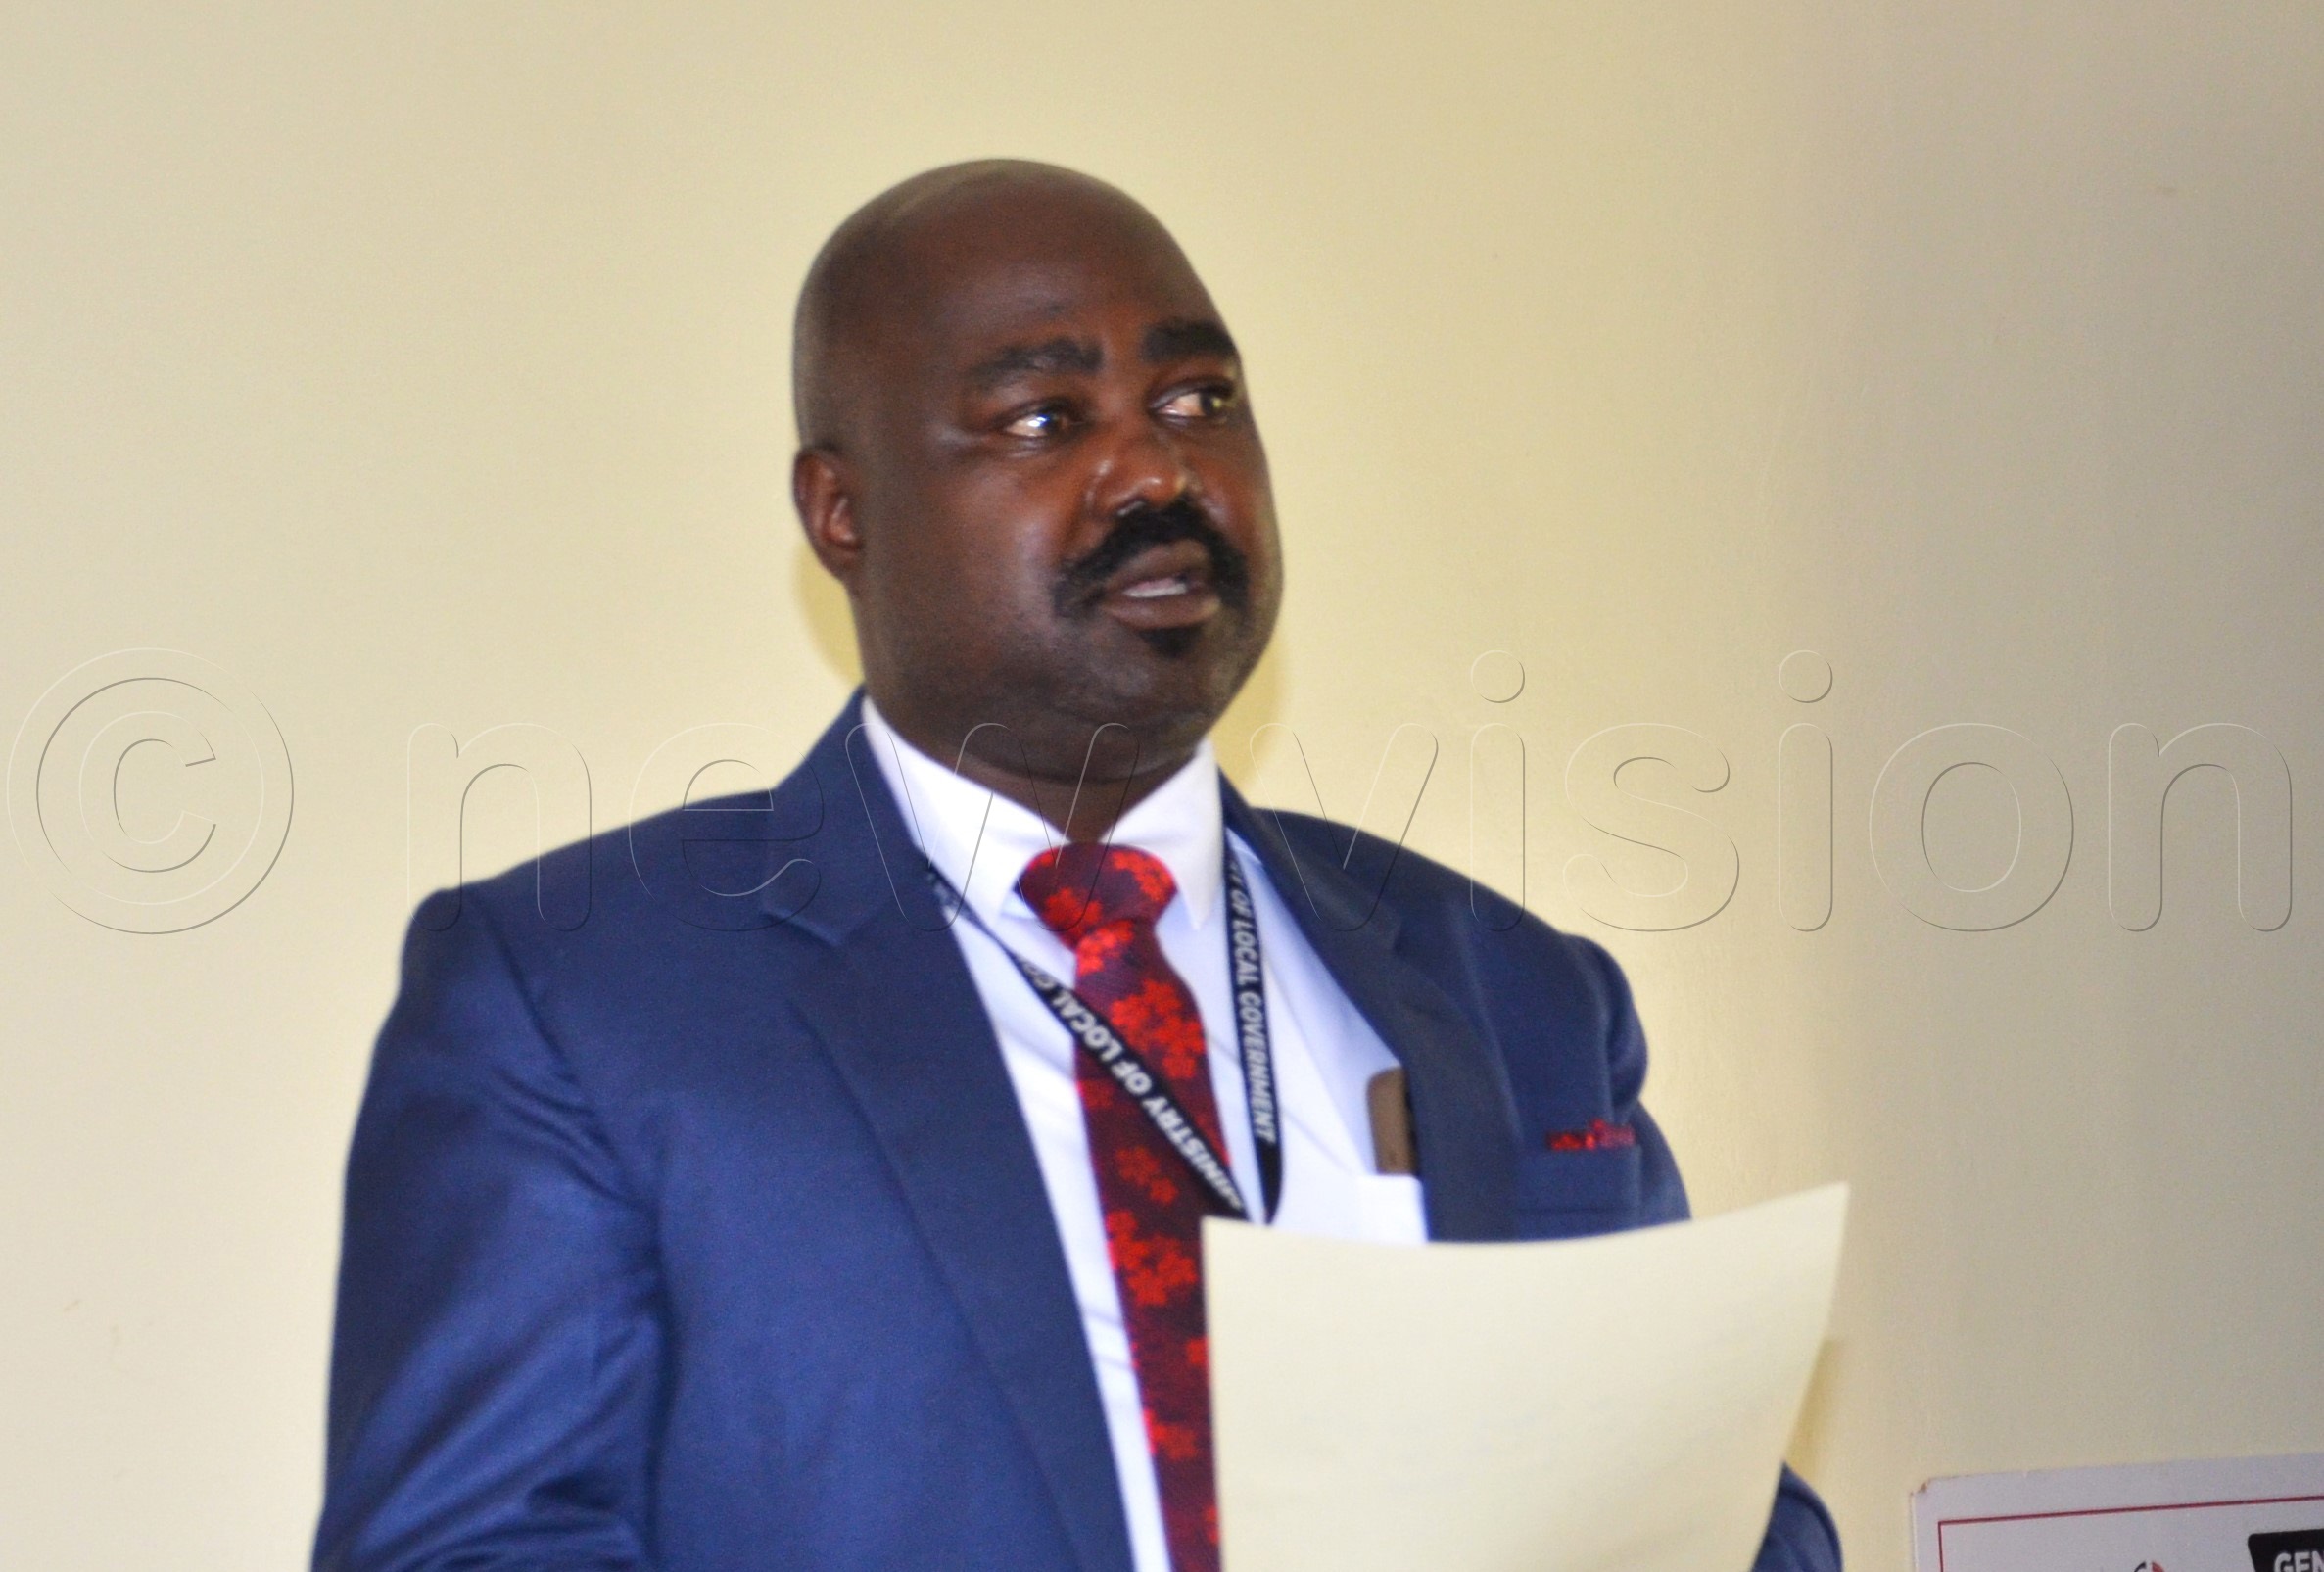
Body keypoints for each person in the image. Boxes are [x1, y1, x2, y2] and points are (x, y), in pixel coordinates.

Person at [314, 160, 1841, 1572]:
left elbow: (1721, 1522)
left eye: (1198, 398)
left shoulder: (1514, 989)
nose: (1152, 471)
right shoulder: (583, 995)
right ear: (840, 513)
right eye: (1045, 420)